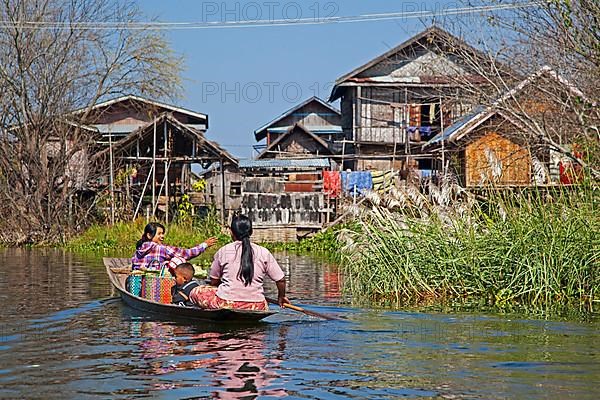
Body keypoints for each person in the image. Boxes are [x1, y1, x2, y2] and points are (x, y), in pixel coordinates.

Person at [189, 214, 289, 311]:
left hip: (227, 303)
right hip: (258, 305)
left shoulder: (223, 251)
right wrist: (281, 296)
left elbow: (214, 281)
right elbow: (281, 280)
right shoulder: (264, 252)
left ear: (232, 232)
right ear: (251, 232)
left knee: (196, 292)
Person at [131, 222, 217, 271]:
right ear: (149, 235)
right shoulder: (161, 248)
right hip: (154, 283)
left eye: (163, 233)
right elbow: (187, 254)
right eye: (159, 234)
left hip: (138, 282)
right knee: (179, 260)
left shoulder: (139, 248)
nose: (162, 236)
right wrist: (204, 245)